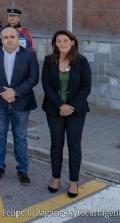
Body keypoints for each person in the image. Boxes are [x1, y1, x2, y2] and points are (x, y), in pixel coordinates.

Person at [0, 27, 39, 186]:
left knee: (20, 137)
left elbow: (33, 77)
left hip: (21, 103)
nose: (9, 40)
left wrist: (14, 92)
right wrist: (3, 91)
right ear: (1, 39)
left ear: (18, 38)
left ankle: (23, 170)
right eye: (6, 37)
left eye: (12, 37)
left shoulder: (29, 54)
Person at [41, 30, 91, 198]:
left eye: (65, 40)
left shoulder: (82, 61)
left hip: (76, 112)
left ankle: (73, 181)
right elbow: (46, 85)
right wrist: (60, 105)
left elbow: (86, 88)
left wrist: (70, 106)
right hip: (54, 110)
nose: (61, 43)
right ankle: (55, 177)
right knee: (56, 144)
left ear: (72, 43)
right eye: (58, 41)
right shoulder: (49, 61)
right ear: (55, 43)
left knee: (74, 146)